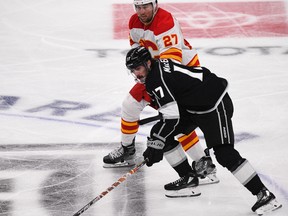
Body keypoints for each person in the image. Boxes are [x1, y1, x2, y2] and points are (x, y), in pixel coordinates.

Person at [125, 46, 282, 214]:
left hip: (215, 104)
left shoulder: (156, 79)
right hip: (194, 107)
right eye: (132, 71)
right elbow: (172, 112)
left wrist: (155, 145)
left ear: (148, 63)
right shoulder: (157, 69)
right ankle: (189, 178)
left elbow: (171, 117)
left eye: (138, 68)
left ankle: (264, 195)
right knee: (160, 133)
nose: (136, 74)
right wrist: (157, 141)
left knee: (224, 153)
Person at [103, 0, 218, 185]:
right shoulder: (134, 22)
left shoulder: (165, 22)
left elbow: (170, 65)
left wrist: (156, 89)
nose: (141, 11)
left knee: (177, 120)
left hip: (181, 76)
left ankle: (204, 165)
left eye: (146, 6)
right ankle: (128, 149)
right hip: (153, 73)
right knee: (130, 104)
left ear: (155, 4)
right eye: (138, 7)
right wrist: (141, 72)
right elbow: (138, 52)